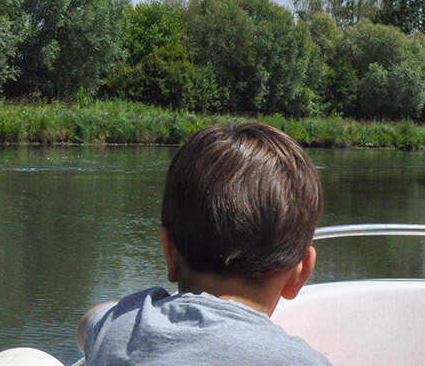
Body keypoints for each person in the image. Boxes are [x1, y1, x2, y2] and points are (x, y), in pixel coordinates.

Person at [76, 123, 330, 365]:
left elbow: (88, 322)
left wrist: (115, 314)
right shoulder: (306, 361)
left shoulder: (120, 328)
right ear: (301, 270)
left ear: (170, 251)